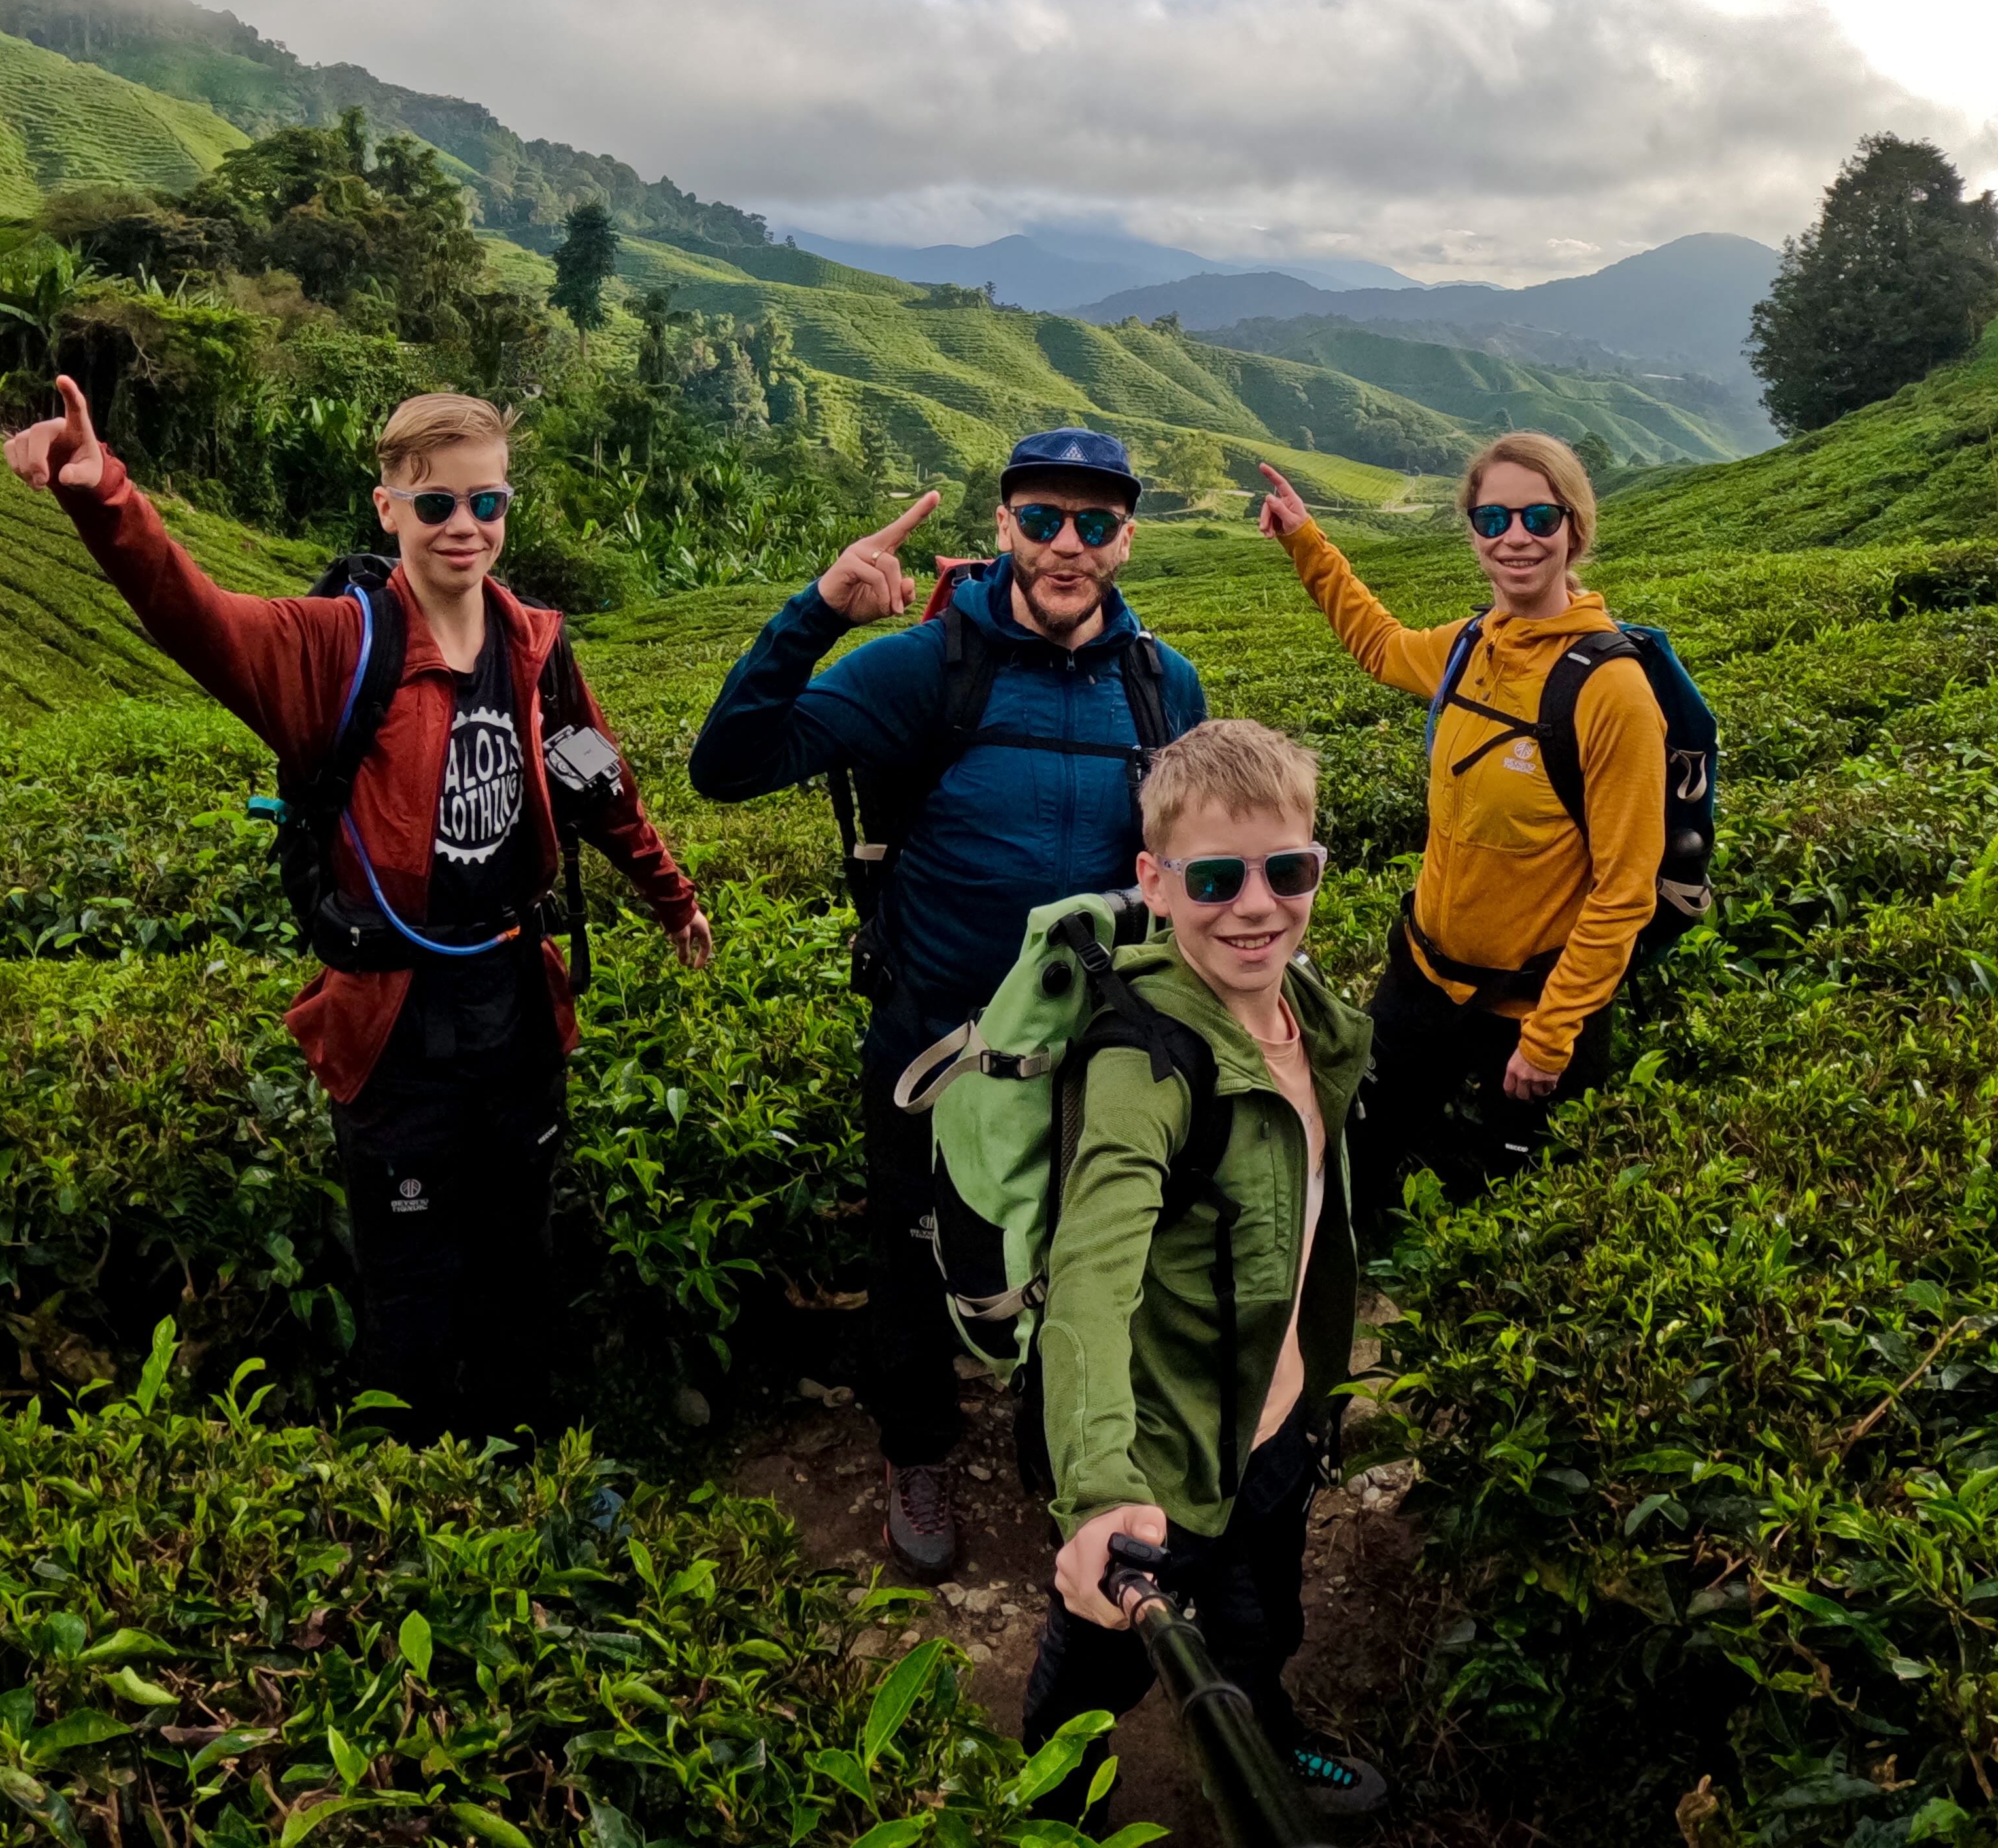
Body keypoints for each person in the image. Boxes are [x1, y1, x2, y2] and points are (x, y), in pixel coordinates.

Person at [7, 375, 711, 1443]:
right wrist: (104, 494)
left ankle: (529, 1475)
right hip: (393, 1022)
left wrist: (672, 899)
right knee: (410, 1278)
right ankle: (412, 1499)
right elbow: (198, 618)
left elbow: (598, 780)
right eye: (437, 505)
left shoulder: (533, 645)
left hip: (515, 999)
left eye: (487, 502)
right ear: (388, 508)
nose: (465, 528)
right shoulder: (338, 647)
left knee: (520, 1255)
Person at [688, 426, 1204, 1579]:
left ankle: (1048, 1441)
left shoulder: (1162, 685)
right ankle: (916, 1447)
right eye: (1041, 519)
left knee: (1082, 1253)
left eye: (1093, 522)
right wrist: (818, 609)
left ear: (1126, 537)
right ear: (1001, 525)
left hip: (1088, 1048)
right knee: (914, 1250)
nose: (1066, 544)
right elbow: (726, 762)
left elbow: (1191, 858)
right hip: (935, 1037)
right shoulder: (926, 667)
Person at [1026, 718, 1385, 1831]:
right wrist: (1095, 1492)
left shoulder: (1307, 1013)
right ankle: (1056, 1815)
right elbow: (1087, 1279)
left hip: (1274, 1422)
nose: (1256, 905)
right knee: (1091, 1684)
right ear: (1154, 883)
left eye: (1288, 870)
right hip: (1159, 1457)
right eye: (1216, 876)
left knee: (1261, 1617)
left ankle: (1266, 1735)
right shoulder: (1146, 1063)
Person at [1252, 431, 1659, 1222]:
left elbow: (1626, 890)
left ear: (1575, 528)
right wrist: (1307, 541)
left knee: (1509, 1220)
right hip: (1422, 979)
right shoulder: (1472, 646)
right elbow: (1381, 644)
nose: (1515, 537)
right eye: (1493, 517)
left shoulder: (1610, 691)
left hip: (1531, 1013)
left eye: (1540, 517)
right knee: (1353, 1164)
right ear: (1472, 528)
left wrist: (1551, 1038)